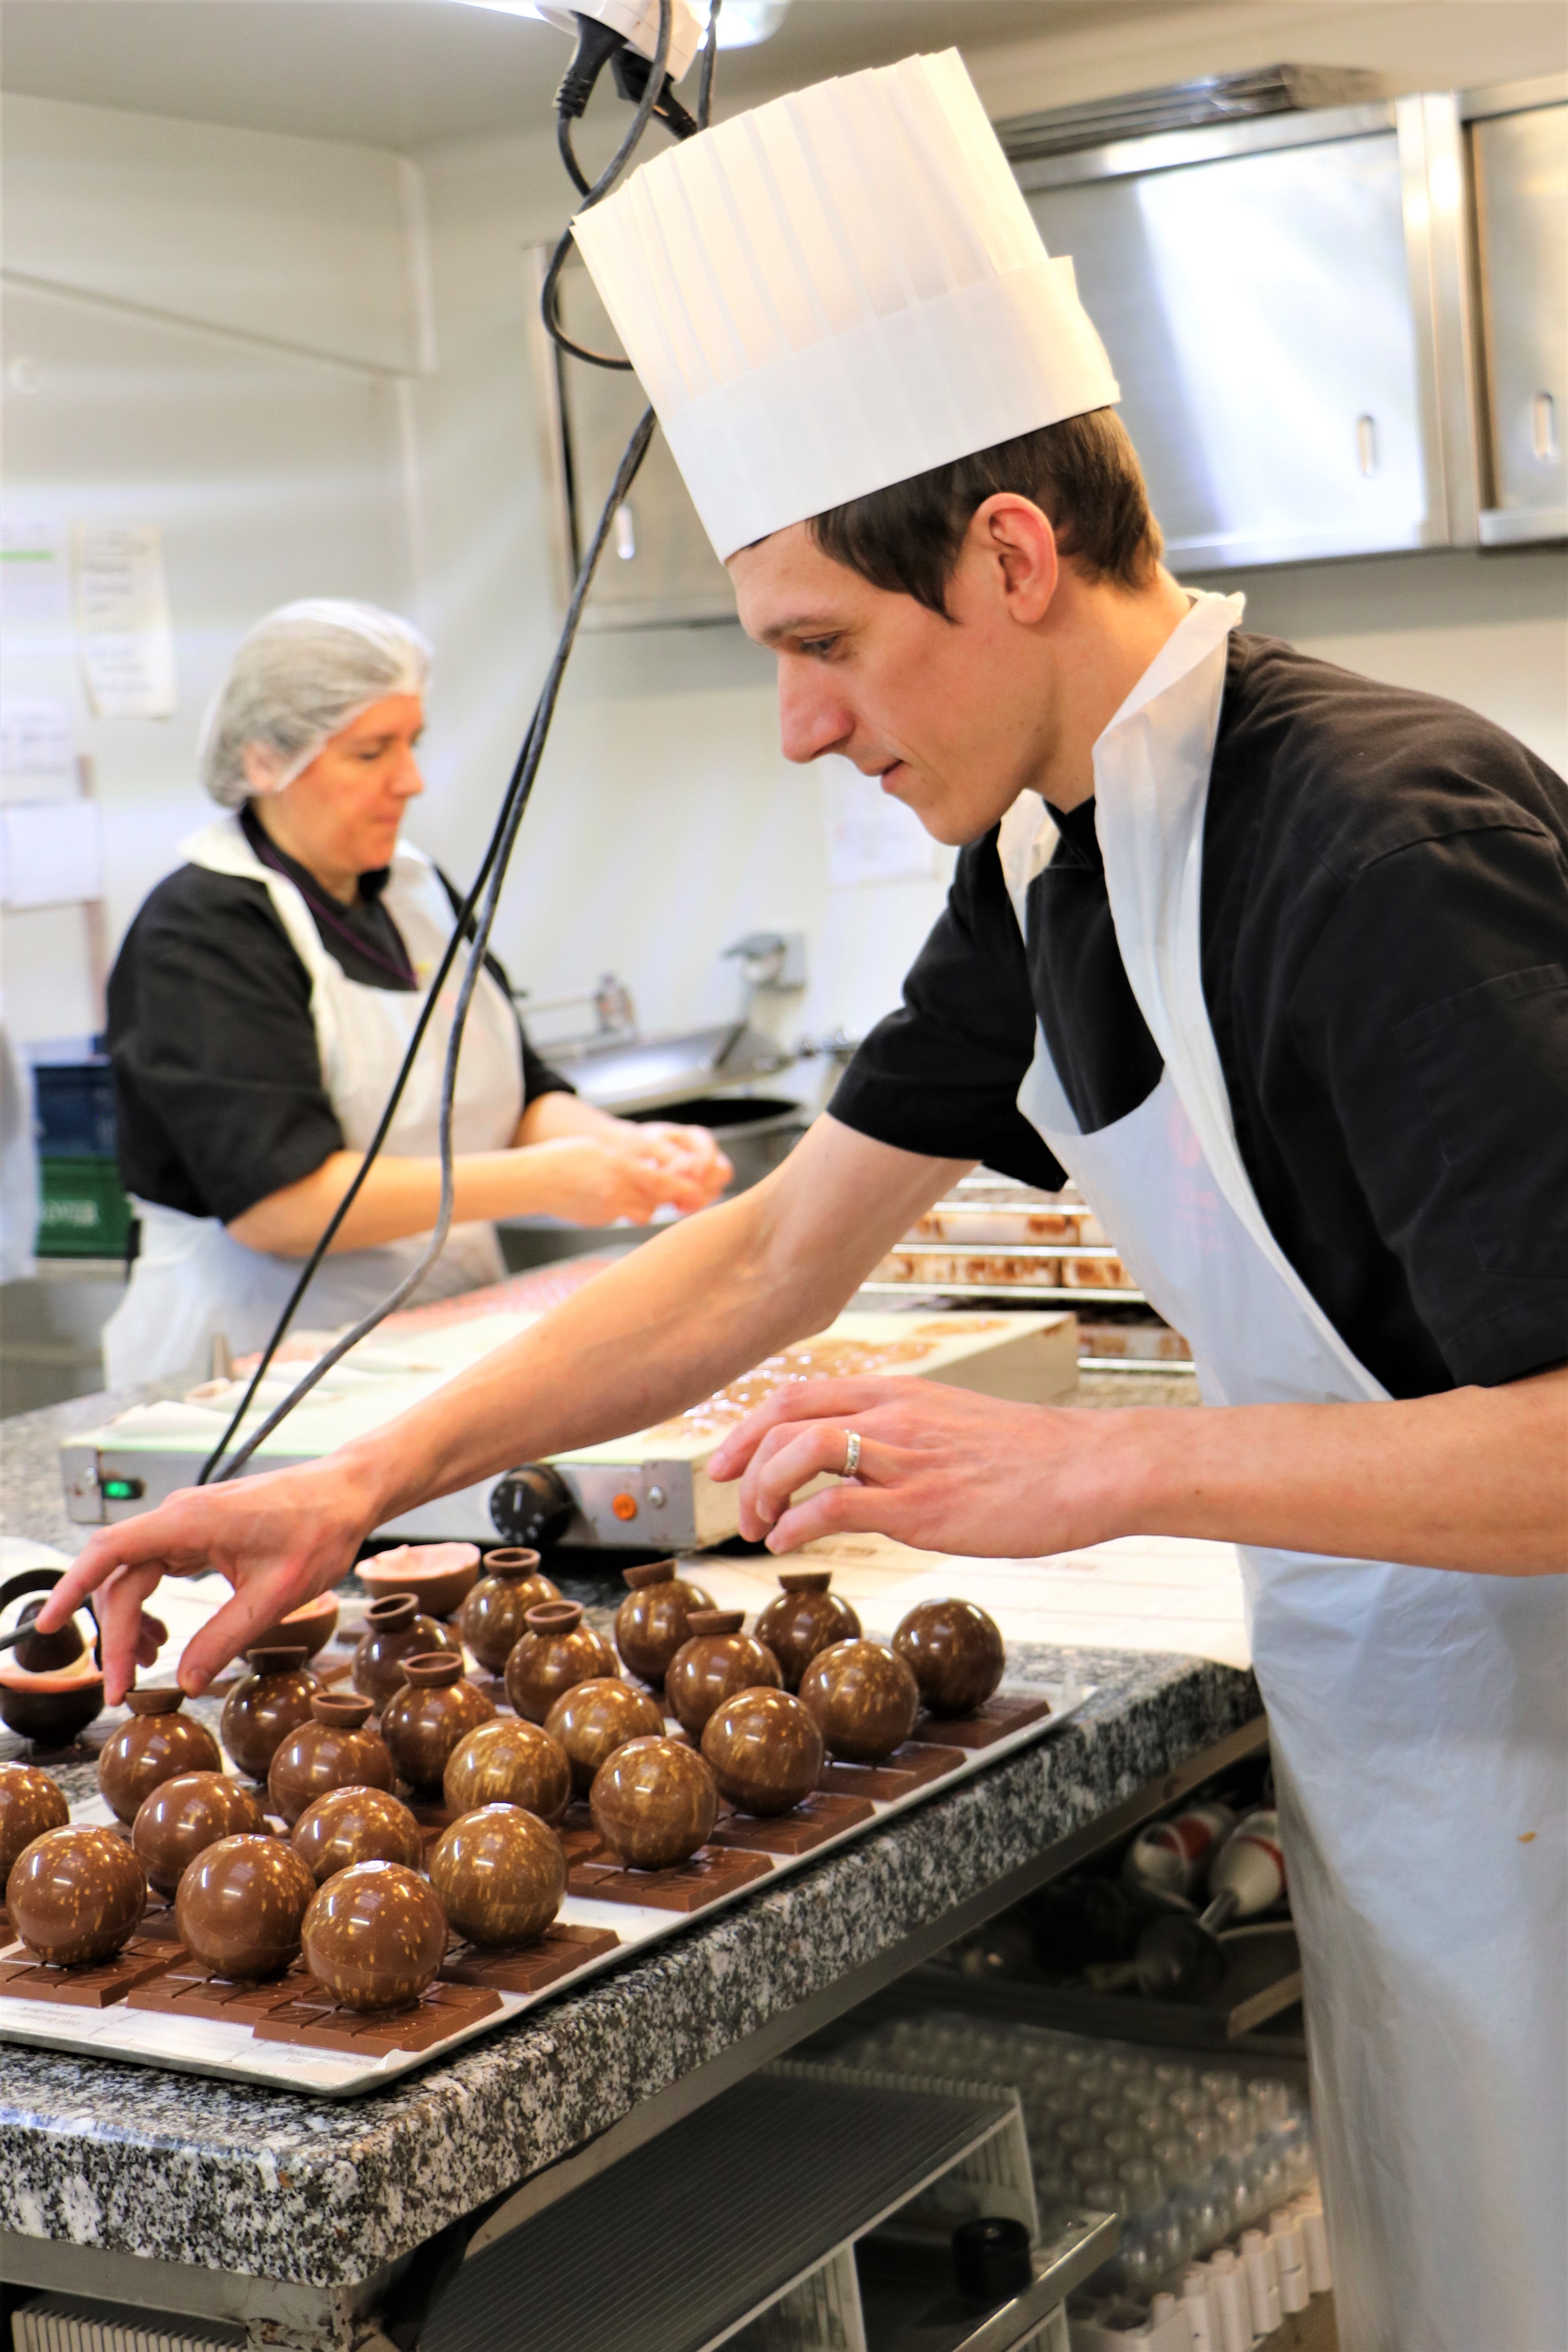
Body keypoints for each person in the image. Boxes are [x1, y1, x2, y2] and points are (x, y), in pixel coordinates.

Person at [46, 55, 1565, 2352]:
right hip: (1412, 1754)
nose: (791, 725)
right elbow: (759, 1254)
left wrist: (1092, 1464)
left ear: (1007, 556)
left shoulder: (1372, 843)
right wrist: (344, 1483)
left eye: (819, 641)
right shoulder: (1040, 862)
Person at [100, 599, 729, 1383]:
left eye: (412, 743)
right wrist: (551, 1181)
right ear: (265, 762)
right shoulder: (201, 933)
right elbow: (282, 1205)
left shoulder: (415, 893)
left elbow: (518, 1093)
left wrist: (625, 1147)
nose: (411, 780)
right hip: (257, 1368)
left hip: (440, 1339)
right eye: (371, 753)